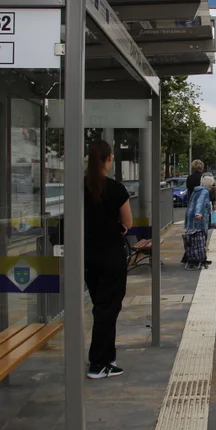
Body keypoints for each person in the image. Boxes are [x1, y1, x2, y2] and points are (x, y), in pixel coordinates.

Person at [83, 139, 132, 379]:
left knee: (100, 307)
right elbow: (128, 223)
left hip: (89, 257)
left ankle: (106, 357)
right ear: (109, 159)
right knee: (108, 309)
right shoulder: (116, 189)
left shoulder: (80, 187)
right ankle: (98, 363)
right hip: (112, 256)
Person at [184, 175, 214, 270]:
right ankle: (198, 258)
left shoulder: (196, 190)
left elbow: (191, 202)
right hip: (198, 219)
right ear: (209, 184)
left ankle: (193, 257)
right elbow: (200, 203)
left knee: (192, 239)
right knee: (200, 238)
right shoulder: (204, 192)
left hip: (190, 216)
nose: (211, 187)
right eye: (211, 184)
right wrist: (198, 213)